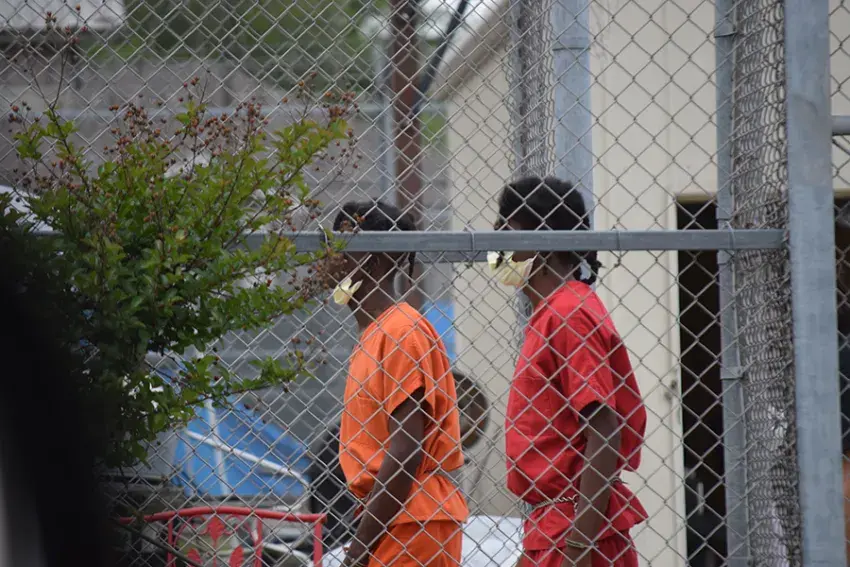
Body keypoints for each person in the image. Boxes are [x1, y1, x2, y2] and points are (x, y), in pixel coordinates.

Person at [491, 176, 648, 567]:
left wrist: (578, 547)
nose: (495, 241)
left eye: (506, 230)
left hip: (578, 528)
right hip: (558, 523)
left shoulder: (568, 314)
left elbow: (604, 430)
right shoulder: (553, 313)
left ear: (542, 243)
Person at [331, 200, 469, 567]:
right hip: (398, 518)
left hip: (412, 524)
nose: (327, 260)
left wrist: (359, 549)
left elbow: (406, 450)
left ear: (371, 259)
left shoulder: (399, 332)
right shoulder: (377, 333)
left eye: (339, 248)